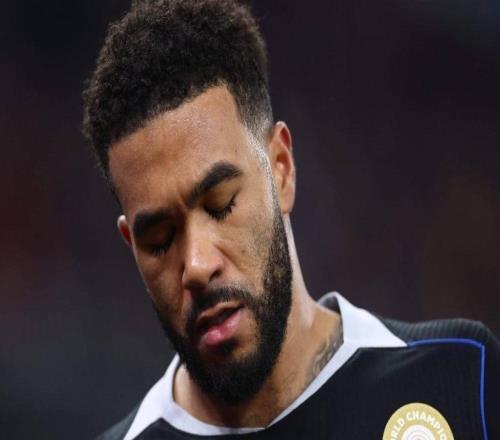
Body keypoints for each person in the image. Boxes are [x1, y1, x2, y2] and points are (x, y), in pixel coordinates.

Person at [82, 1, 499, 438]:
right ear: (131, 245)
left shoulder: (463, 378)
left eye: (220, 204)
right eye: (160, 240)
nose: (198, 266)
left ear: (280, 169)